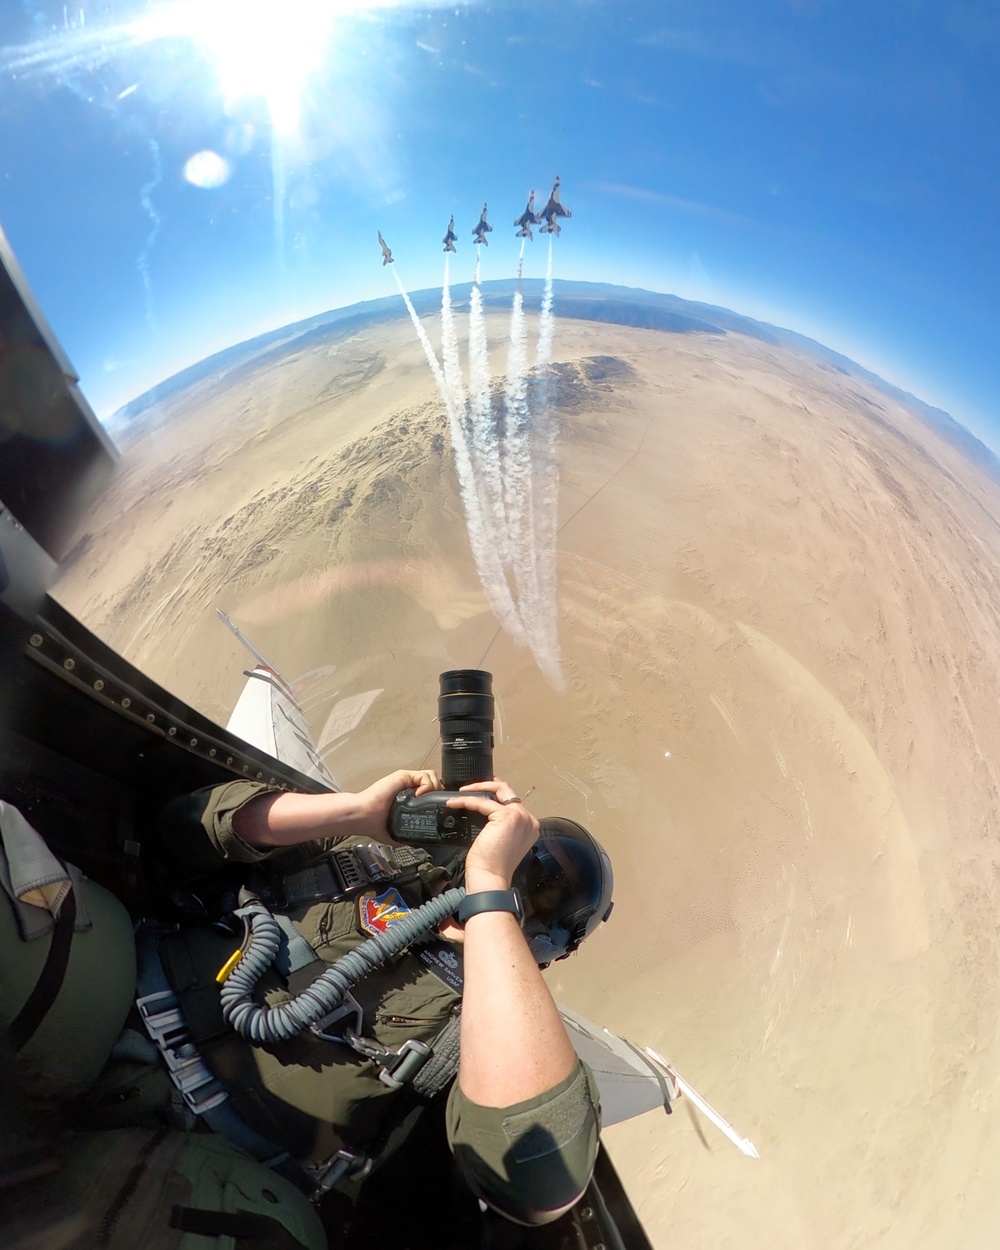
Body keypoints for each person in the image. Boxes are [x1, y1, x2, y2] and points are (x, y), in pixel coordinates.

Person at [144, 768, 613, 1229]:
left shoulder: (500, 1022)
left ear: (547, 946)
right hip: (128, 990)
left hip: (219, 1167)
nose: (520, 896)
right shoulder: (372, 855)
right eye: (522, 868)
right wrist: (355, 811)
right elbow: (185, 826)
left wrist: (488, 886)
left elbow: (544, 1183)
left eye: (546, 904)